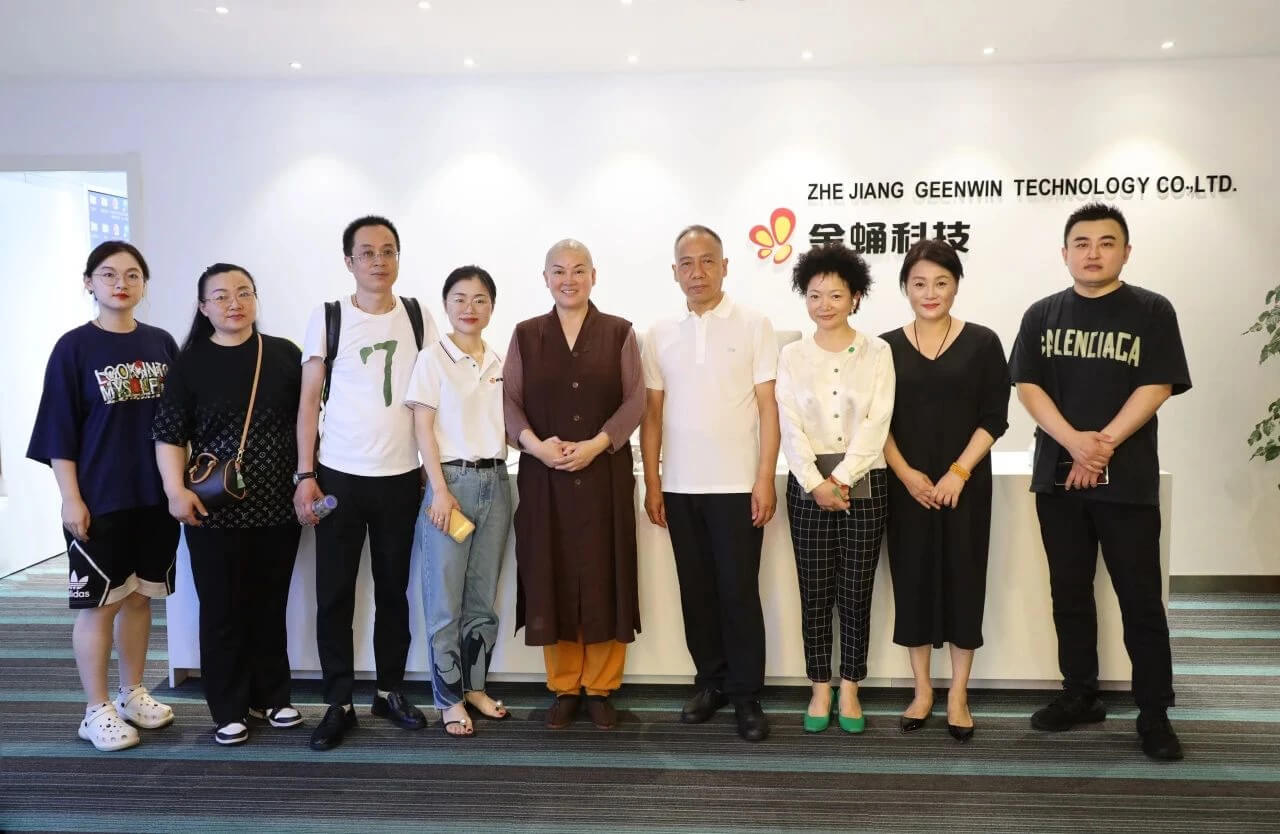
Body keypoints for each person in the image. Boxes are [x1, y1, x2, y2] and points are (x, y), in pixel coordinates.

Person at [1009, 202, 1191, 761]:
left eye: (1106, 243)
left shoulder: (1152, 310)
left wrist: (1101, 444)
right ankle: (1080, 694)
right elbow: (1028, 386)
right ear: (1064, 253)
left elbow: (1157, 385)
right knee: (1069, 592)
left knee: (1141, 600)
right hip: (1058, 479)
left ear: (1126, 252)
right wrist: (1075, 444)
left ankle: (1154, 712)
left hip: (1128, 482)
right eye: (1082, 243)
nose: (1093, 253)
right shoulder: (1042, 314)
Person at [294, 215, 440, 751]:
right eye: (367, 252)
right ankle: (338, 701)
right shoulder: (329, 316)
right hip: (338, 477)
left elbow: (433, 397)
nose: (379, 261)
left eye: (388, 250)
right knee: (333, 594)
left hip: (400, 478)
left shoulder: (419, 316)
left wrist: (434, 469)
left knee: (393, 592)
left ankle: (389, 691)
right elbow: (308, 401)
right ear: (349, 261)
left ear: (398, 257)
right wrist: (305, 474)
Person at [27, 241, 179, 751]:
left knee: (139, 598)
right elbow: (58, 430)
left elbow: (178, 422)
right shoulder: (74, 348)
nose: (121, 283)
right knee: (99, 605)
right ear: (89, 282)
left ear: (143, 284)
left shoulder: (161, 343)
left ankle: (132, 692)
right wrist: (70, 498)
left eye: (133, 275)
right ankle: (95, 710)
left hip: (153, 498)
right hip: (99, 498)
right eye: (109, 274)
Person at [153, 263, 303, 745]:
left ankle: (272, 696)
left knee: (269, 604)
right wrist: (175, 491)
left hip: (278, 507)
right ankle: (229, 707)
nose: (233, 303)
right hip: (212, 510)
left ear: (255, 299)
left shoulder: (283, 355)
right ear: (203, 308)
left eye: (243, 292)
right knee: (221, 608)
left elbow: (308, 422)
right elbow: (169, 433)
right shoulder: (190, 363)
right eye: (220, 296)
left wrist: (308, 480)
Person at [640, 224, 780, 742]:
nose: (696, 272)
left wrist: (764, 478)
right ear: (674, 271)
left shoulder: (754, 324)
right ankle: (711, 682)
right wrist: (652, 481)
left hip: (738, 484)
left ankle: (746, 694)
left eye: (707, 261)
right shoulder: (658, 333)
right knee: (696, 592)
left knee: (738, 592)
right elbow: (651, 414)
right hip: (680, 486)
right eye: (686, 263)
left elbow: (769, 408)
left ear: (725, 266)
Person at [503, 239, 643, 731]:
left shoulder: (620, 331)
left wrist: (598, 444)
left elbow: (635, 400)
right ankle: (564, 686)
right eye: (559, 271)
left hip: (604, 474)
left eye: (579, 270)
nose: (569, 279)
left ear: (594, 276)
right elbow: (509, 401)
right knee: (552, 574)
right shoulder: (525, 335)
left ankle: (601, 688)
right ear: (545, 279)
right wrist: (535, 446)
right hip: (545, 479)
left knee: (606, 574)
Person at [880, 239, 1009, 742]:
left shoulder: (983, 342)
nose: (930, 292)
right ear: (905, 288)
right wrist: (905, 474)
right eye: (919, 283)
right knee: (912, 581)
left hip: (965, 486)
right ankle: (922, 690)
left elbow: (994, 417)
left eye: (941, 282)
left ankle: (957, 693)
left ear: (956, 285)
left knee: (964, 580)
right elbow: (873, 421)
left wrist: (959, 471)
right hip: (906, 486)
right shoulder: (884, 347)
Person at [776, 244, 894, 735]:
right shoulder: (792, 355)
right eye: (814, 295)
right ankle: (819, 685)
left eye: (836, 295)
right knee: (815, 591)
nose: (824, 304)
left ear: (856, 297)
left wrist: (841, 479)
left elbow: (877, 422)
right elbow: (789, 425)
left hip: (866, 483)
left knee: (856, 590)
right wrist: (815, 483)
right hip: (807, 488)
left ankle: (850, 685)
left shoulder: (878, 352)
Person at [404, 266, 511, 738]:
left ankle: (475, 688)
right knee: (444, 601)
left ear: (492, 306)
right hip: (451, 484)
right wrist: (440, 490)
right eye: (460, 298)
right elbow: (422, 428)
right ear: (446, 304)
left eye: (480, 299)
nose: (470, 308)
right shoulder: (432, 359)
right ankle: (448, 699)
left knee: (482, 601)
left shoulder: (499, 361)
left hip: (497, 483)